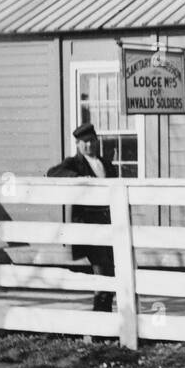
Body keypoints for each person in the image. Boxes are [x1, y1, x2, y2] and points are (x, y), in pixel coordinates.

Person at [46, 122, 117, 311]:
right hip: (88, 227)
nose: (89, 145)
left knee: (112, 272)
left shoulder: (106, 164)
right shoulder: (74, 163)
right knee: (103, 271)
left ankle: (104, 317)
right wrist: (77, 178)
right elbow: (53, 173)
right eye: (84, 142)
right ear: (78, 144)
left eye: (92, 141)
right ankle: (100, 321)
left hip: (108, 226)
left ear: (97, 141)